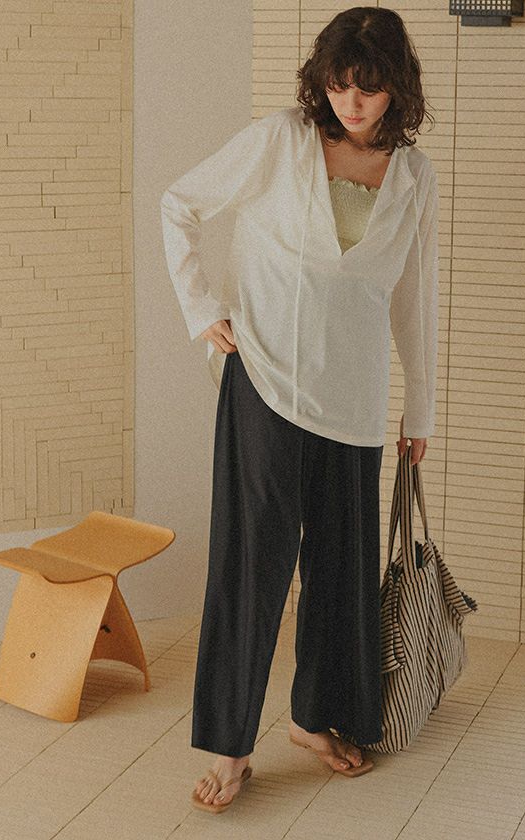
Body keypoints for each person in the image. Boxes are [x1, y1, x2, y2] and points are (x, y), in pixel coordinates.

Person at [160, 5, 439, 813]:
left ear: (396, 89)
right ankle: (231, 748)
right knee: (252, 567)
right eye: (340, 85)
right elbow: (179, 203)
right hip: (267, 382)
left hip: (354, 399)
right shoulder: (281, 140)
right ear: (323, 81)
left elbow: (414, 296)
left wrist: (419, 407)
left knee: (342, 572)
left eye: (369, 88)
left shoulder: (414, 176)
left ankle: (316, 719)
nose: (353, 102)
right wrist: (200, 308)